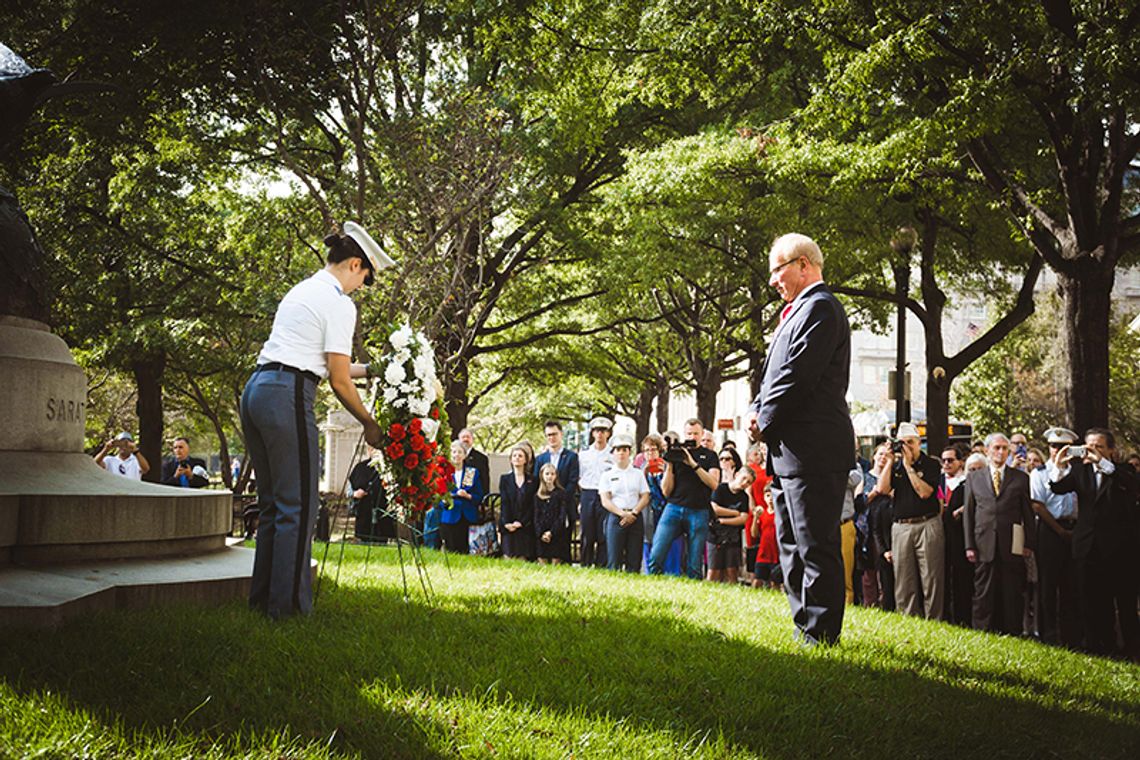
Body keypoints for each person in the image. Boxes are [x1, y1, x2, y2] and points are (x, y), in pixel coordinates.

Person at [241, 221, 390, 619]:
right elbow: (339, 380)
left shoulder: (304, 289)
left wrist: (379, 369)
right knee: (300, 506)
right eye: (366, 278)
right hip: (287, 395)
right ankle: (288, 611)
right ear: (356, 264)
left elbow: (329, 363)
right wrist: (369, 423)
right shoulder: (340, 302)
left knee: (273, 504)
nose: (362, 287)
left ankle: (262, 603)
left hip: (257, 389)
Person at [747, 233, 854, 646]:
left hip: (816, 450)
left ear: (805, 264)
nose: (773, 279)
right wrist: (757, 409)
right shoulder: (796, 311)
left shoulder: (821, 308)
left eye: (779, 268)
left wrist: (765, 419)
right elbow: (772, 376)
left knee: (815, 546)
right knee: (791, 544)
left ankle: (822, 635)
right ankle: (803, 628)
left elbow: (798, 376)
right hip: (790, 452)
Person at [1049, 427, 1140, 657]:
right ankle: (1097, 646)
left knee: (1125, 603)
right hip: (1088, 547)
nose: (1093, 451)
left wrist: (1104, 464)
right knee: (1091, 600)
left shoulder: (1123, 470)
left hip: (1120, 549)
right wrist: (1058, 466)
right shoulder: (1081, 472)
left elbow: (1132, 486)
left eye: (1099, 446)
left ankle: (1131, 649)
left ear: (1111, 449)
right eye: (1089, 446)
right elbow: (1058, 488)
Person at [963, 433, 1036, 635]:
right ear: (987, 451)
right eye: (996, 448)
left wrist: (1029, 543)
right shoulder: (974, 477)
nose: (1001, 452)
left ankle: (1012, 631)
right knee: (983, 591)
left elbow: (1027, 514)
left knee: (1012, 591)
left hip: (1011, 542)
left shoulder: (1021, 478)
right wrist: (969, 545)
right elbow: (969, 513)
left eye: (1005, 448)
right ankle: (982, 630)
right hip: (983, 541)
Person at [878, 422, 945, 619]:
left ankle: (934, 619)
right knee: (904, 579)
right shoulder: (895, 465)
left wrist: (908, 467)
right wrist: (890, 461)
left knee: (931, 578)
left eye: (910, 442)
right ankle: (908, 618)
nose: (906, 447)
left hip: (927, 524)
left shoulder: (931, 464)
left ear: (918, 443)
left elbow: (925, 493)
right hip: (902, 527)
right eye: (902, 443)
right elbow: (882, 490)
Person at [647, 418, 721, 579]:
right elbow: (666, 491)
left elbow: (714, 484)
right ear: (684, 434)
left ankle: (693, 594)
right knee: (656, 554)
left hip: (699, 510)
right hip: (673, 507)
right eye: (689, 433)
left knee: (694, 563)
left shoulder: (710, 455)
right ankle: (652, 587)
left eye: (696, 434)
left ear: (702, 435)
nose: (692, 437)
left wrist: (692, 463)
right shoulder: (677, 453)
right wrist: (671, 464)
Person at [1031, 426, 1080, 647]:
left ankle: (1071, 635)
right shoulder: (1039, 473)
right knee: (1048, 586)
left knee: (1071, 585)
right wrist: (1059, 531)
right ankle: (1047, 634)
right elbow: (1038, 505)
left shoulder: (1078, 472)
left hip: (1075, 527)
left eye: (1062, 447)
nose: (1057, 450)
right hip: (1050, 530)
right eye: (1053, 446)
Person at [600, 434, 649, 573]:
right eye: (618, 450)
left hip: (635, 516)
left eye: (624, 450)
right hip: (616, 517)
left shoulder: (638, 473)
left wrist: (633, 513)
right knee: (614, 560)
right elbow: (605, 500)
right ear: (613, 453)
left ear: (629, 452)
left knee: (634, 559)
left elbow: (645, 496)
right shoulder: (607, 475)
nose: (621, 453)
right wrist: (622, 514)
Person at [534, 420, 579, 563]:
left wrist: (559, 497)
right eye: (548, 435)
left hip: (563, 507)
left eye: (554, 434)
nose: (551, 438)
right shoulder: (541, 458)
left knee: (561, 547)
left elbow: (573, 481)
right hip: (544, 510)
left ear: (561, 434)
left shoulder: (571, 457)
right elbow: (537, 480)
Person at [940, 443, 973, 626]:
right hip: (940, 536)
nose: (946, 464)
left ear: (960, 462)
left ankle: (963, 619)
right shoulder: (939, 482)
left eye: (950, 460)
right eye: (944, 460)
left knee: (961, 580)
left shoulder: (967, 483)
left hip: (960, 538)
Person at [640, 434, 683, 575]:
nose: (650, 453)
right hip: (649, 516)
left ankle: (672, 575)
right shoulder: (640, 469)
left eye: (653, 449)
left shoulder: (668, 467)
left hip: (667, 513)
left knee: (670, 547)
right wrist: (645, 473)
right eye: (647, 450)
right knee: (649, 547)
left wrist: (665, 471)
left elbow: (668, 492)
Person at [707, 467, 756, 584]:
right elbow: (715, 509)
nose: (745, 483)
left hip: (733, 537)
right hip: (715, 535)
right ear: (737, 474)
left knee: (732, 571)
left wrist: (723, 521)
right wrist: (735, 513)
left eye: (748, 482)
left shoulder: (744, 497)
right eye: (744, 478)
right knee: (714, 571)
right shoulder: (720, 488)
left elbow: (744, 519)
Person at [578, 416, 615, 568]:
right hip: (587, 494)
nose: (600, 434)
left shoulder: (612, 455)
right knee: (587, 533)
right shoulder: (584, 454)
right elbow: (579, 476)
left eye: (603, 431)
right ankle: (585, 564)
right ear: (592, 433)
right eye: (597, 431)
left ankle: (601, 565)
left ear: (608, 433)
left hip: (606, 495)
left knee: (603, 533)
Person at [864, 443, 894, 610]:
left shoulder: (893, 476)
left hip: (888, 528)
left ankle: (887, 604)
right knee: (869, 569)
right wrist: (875, 493)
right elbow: (859, 502)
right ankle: (871, 604)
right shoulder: (865, 477)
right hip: (868, 526)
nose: (883, 457)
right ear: (874, 456)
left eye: (886, 455)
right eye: (880, 454)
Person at [440, 441, 483, 554]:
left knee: (465, 550)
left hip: (467, 515)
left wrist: (468, 496)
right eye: (454, 452)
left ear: (465, 455)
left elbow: (479, 496)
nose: (456, 455)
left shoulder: (471, 472)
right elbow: (437, 496)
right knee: (451, 550)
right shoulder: (444, 472)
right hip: (450, 515)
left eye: (460, 452)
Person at [499, 444, 537, 560]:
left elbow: (533, 504)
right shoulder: (505, 479)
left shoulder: (533, 480)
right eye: (514, 455)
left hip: (525, 526)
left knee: (523, 559)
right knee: (508, 558)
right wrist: (507, 523)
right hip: (509, 524)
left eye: (520, 456)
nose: (517, 458)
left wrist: (522, 522)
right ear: (510, 459)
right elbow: (504, 502)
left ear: (526, 460)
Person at [348, 446, 392, 542]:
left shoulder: (389, 468)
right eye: (372, 449)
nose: (374, 451)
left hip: (383, 517)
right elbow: (349, 490)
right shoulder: (360, 468)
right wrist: (355, 494)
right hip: (364, 514)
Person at [534, 463, 570, 565]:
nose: (550, 476)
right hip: (542, 533)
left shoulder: (561, 493)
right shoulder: (537, 495)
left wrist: (552, 532)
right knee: (542, 562)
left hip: (556, 533)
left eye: (552, 474)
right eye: (547, 474)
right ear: (542, 475)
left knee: (556, 563)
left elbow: (561, 516)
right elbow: (536, 515)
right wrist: (541, 533)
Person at [751, 480, 782, 590]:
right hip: (763, 554)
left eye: (772, 495)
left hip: (776, 555)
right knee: (757, 581)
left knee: (776, 582)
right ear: (764, 497)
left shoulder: (780, 514)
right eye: (768, 495)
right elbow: (754, 534)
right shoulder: (762, 514)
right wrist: (755, 518)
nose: (770, 499)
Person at [458, 428, 490, 509]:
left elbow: (485, 481)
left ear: (472, 440)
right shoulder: (453, 457)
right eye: (463, 437)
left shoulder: (481, 458)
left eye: (468, 437)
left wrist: (484, 503)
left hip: (473, 501)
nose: (465, 439)